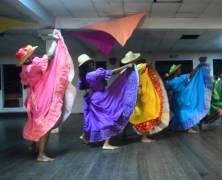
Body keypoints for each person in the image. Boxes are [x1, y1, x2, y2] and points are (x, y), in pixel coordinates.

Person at [16, 29, 75, 161]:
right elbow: (48, 55)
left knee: (36, 121)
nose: (33, 54)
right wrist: (55, 41)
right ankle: (41, 154)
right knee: (45, 124)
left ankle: (33, 146)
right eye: (31, 54)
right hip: (42, 95)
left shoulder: (25, 69)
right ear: (28, 58)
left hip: (34, 97)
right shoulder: (34, 65)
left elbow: (28, 81)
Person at [77, 54, 139, 149]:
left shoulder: (84, 76)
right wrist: (126, 66)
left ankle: (86, 137)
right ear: (89, 64)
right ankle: (106, 144)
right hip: (101, 97)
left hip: (93, 97)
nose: (93, 64)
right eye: (91, 62)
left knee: (95, 119)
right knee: (109, 118)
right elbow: (111, 72)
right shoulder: (94, 74)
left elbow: (82, 87)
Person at [122, 53, 170, 143]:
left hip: (135, 96)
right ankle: (143, 137)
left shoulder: (131, 70)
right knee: (145, 115)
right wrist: (146, 64)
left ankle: (129, 135)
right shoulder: (138, 68)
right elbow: (142, 68)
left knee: (135, 116)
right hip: (137, 96)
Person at [165, 57, 212, 133]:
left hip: (176, 98)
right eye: (179, 69)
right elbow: (191, 75)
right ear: (176, 72)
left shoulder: (171, 81)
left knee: (180, 113)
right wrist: (198, 66)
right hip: (182, 97)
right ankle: (189, 129)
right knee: (187, 111)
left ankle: (179, 127)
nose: (180, 70)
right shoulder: (178, 79)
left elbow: (168, 89)